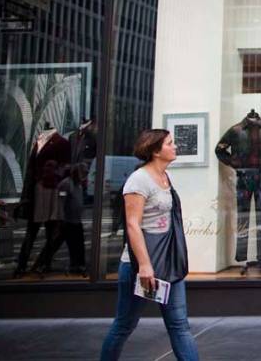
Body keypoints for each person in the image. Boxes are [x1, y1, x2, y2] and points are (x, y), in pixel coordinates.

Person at [100, 130, 199, 361]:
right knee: (124, 325)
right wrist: (144, 266)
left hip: (167, 265)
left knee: (179, 325)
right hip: (141, 268)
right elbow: (132, 225)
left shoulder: (164, 177)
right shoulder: (139, 180)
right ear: (155, 151)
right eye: (170, 144)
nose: (175, 147)